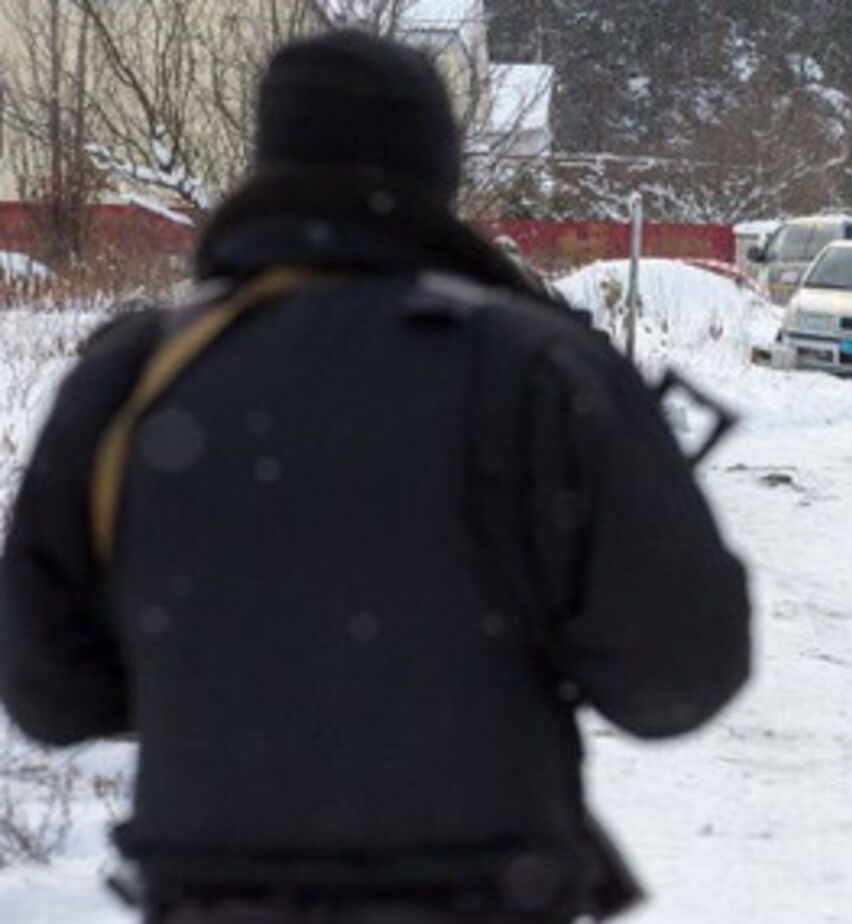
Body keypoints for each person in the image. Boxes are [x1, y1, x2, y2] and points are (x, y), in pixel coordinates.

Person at [0, 31, 752, 924]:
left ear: (268, 161)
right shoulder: (543, 371)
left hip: (211, 896)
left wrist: (219, 675)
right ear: (437, 172)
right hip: (484, 896)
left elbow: (47, 688)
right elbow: (678, 675)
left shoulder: (136, 374)